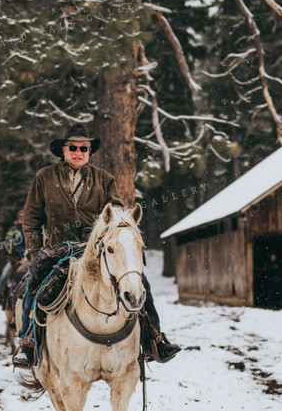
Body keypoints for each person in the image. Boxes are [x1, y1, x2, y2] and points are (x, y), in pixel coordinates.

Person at [12, 123, 181, 368]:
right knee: (33, 283)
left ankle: (154, 338)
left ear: (89, 151)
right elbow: (31, 221)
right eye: (73, 147)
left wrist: (102, 235)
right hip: (56, 251)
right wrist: (38, 253)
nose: (78, 152)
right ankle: (28, 342)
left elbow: (118, 215)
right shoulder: (44, 177)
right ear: (63, 149)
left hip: (95, 251)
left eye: (84, 148)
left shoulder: (104, 179)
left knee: (139, 283)